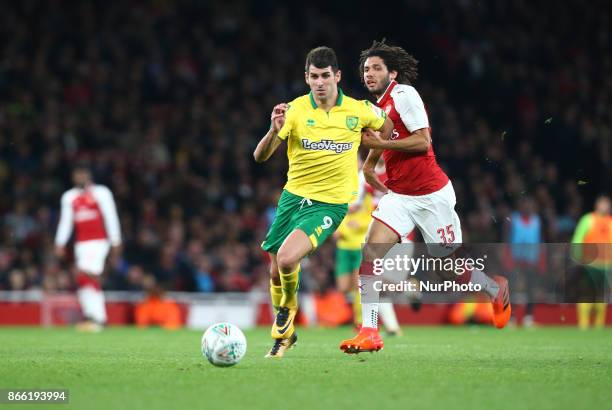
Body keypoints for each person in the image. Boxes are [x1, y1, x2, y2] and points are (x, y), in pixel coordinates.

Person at [340, 40, 511, 354]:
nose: (369, 73)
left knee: (447, 269)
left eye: (376, 68)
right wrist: (368, 165)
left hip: (432, 197)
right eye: (365, 69)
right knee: (371, 253)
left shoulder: (405, 95)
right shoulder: (378, 108)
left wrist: (383, 147)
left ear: (392, 72)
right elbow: (383, 136)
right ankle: (369, 331)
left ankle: (493, 286)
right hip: (400, 196)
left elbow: (422, 142)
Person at [253, 46, 394, 358]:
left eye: (325, 76)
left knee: (288, 259)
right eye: (314, 76)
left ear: (337, 76)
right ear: (306, 78)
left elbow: (386, 126)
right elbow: (260, 157)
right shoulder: (294, 111)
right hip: (292, 199)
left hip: (329, 205)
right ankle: (286, 336)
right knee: (275, 270)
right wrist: (272, 131)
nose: (320, 82)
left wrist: (372, 160)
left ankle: (286, 314)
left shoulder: (358, 110)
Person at [55, 165, 121, 332]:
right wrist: (60, 242)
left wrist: (116, 240)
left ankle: (98, 318)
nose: (80, 177)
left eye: (83, 173)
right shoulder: (69, 197)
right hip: (81, 244)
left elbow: (110, 216)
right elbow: (66, 221)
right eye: (77, 174)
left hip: (99, 242)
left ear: (89, 175)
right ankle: (92, 317)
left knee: (91, 277)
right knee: (82, 279)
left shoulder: (101, 193)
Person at [571, 195, 611, 329]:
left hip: (606, 265)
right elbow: (578, 238)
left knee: (601, 296)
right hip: (590, 264)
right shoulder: (588, 219)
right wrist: (577, 255)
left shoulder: (611, 222)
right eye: (602, 204)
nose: (605, 206)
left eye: (607, 204)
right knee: (587, 293)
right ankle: (583, 325)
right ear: (596, 205)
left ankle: (599, 326)